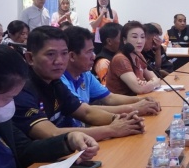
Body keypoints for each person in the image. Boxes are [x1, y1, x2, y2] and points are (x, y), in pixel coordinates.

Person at [13, 26, 146, 142]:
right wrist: (112, 129)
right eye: (51, 54)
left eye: (64, 53)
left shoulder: (54, 82)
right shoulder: (21, 89)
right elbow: (51, 133)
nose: (59, 61)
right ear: (30, 58)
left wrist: (121, 119)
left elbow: (86, 112)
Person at [61, 26, 161, 116]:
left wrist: (141, 99)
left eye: (143, 37)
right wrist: (134, 108)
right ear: (72, 56)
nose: (93, 56)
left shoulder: (85, 74)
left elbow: (109, 98)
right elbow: (86, 111)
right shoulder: (61, 79)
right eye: (89, 52)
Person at [106, 21, 162, 95]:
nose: (140, 41)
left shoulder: (139, 55)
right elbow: (139, 89)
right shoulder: (120, 59)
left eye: (142, 37)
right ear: (124, 40)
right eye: (135, 37)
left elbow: (156, 79)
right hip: (122, 101)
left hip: (137, 98)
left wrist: (148, 83)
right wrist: (152, 83)